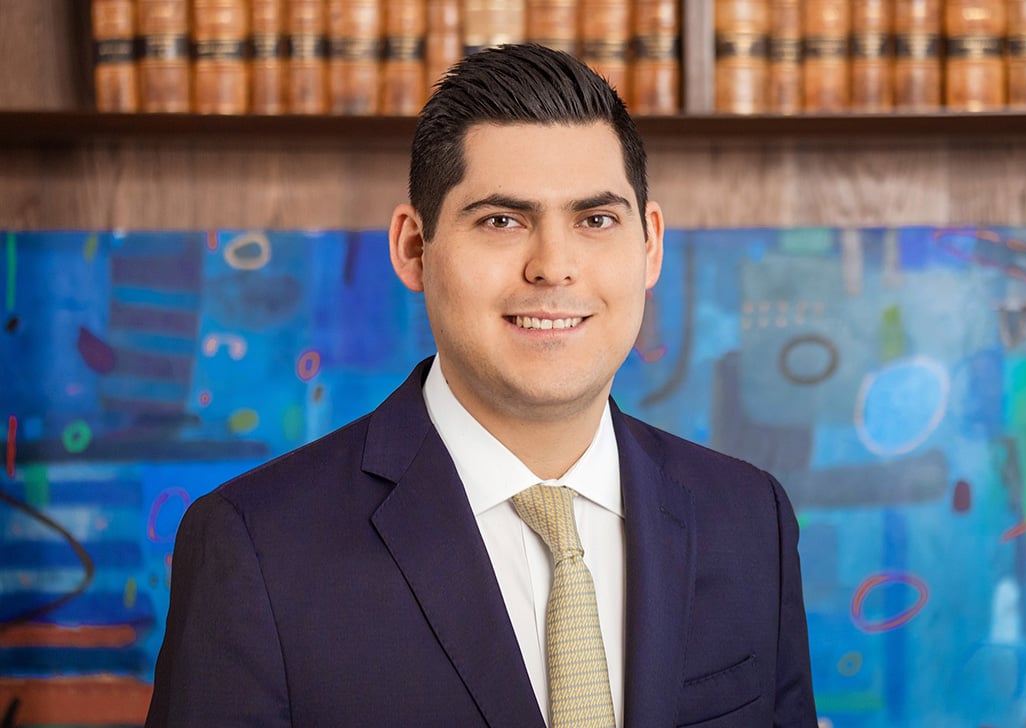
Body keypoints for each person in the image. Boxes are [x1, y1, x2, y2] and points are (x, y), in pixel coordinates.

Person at [146, 44, 817, 727]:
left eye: (595, 220)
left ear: (649, 245)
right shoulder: (256, 547)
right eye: (502, 221)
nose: (553, 267)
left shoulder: (749, 519)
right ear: (414, 248)